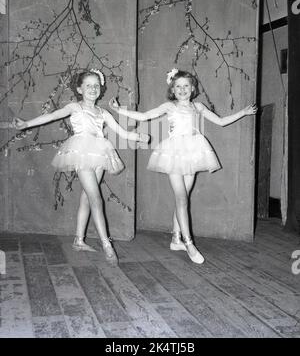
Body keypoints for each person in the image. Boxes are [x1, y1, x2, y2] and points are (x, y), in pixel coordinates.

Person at [109, 68, 257, 264]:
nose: (182, 89)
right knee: (181, 199)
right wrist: (120, 110)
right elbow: (145, 116)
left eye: (186, 86)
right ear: (172, 89)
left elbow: (221, 122)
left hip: (194, 152)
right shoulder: (169, 106)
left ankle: (175, 239)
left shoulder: (199, 107)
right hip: (173, 153)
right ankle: (188, 243)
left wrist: (244, 112)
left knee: (183, 198)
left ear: (192, 88)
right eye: (178, 86)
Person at [14, 69, 149, 266]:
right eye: (88, 85)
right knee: (95, 198)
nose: (93, 89)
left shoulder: (103, 113)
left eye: (96, 85)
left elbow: (123, 133)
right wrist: (26, 123)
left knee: (87, 198)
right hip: (80, 152)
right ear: (80, 89)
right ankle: (107, 244)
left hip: (100, 152)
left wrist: (139, 136)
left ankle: (79, 240)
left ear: (100, 89)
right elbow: (51, 116)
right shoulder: (74, 107)